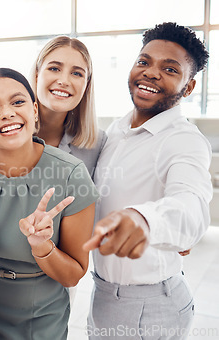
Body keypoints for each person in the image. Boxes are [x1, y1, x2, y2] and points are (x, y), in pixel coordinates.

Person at [83, 22, 213, 339]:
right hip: (104, 292)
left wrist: (144, 219)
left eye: (170, 69)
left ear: (189, 86)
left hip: (147, 305)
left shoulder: (183, 140)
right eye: (144, 61)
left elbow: (191, 207)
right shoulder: (117, 129)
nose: (151, 73)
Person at [0, 67, 98, 340]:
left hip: (38, 316)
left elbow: (72, 276)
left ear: (35, 111)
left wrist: (42, 247)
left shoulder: (70, 173)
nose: (7, 114)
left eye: (18, 102)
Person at [30, 35, 106, 178]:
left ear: (86, 85)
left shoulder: (98, 144)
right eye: (54, 68)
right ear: (36, 74)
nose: (64, 81)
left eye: (77, 73)